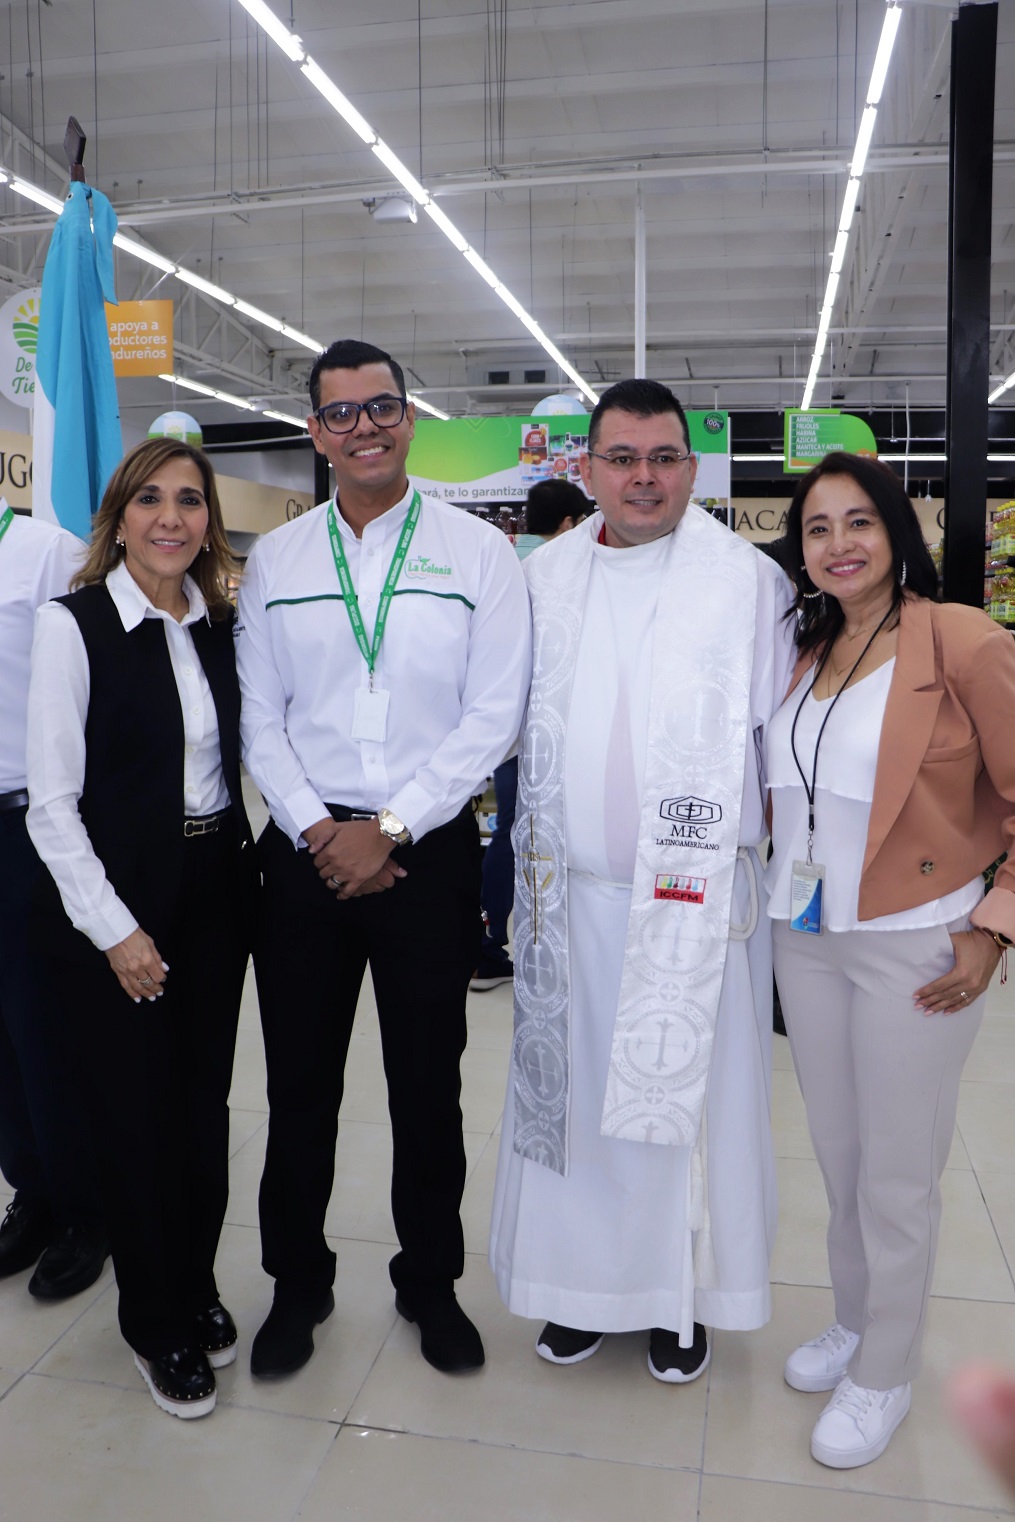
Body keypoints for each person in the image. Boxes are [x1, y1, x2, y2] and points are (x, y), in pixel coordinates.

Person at [490, 378, 796, 1383]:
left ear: (692, 468)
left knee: (685, 1116)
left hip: (696, 908)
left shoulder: (745, 581)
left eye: (663, 457)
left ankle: (679, 1300)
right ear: (585, 469)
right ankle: (580, 1294)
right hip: (565, 899)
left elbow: (778, 744)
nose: (643, 478)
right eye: (620, 458)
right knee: (574, 1110)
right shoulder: (542, 579)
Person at [236, 338, 531, 1379]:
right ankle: (295, 1284)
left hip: (428, 856)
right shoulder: (279, 559)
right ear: (314, 431)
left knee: (425, 1087)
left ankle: (430, 1282)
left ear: (410, 418)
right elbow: (258, 719)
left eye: (382, 407)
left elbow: (492, 716)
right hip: (305, 865)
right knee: (299, 1087)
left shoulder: (477, 553)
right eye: (341, 412)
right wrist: (323, 831)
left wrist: (392, 826)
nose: (364, 426)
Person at [765, 451, 1015, 1469]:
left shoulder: (959, 636)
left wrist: (994, 923)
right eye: (818, 528)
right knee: (840, 1155)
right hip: (807, 933)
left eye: (858, 522)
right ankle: (856, 1318)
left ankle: (887, 1370)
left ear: (896, 530)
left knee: (899, 1174)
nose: (839, 545)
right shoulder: (802, 643)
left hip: (919, 935)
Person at [26, 438, 255, 1420]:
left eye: (191, 501)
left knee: (202, 1110)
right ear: (119, 517)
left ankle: (195, 1283)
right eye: (152, 499)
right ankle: (153, 1320)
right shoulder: (73, 627)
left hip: (214, 886)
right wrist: (115, 928)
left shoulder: (218, 626)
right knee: (137, 1116)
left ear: (209, 522)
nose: (173, 517)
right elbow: (51, 804)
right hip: (119, 901)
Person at [0, 504, 109, 1299]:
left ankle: (85, 1211)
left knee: (45, 1029)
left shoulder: (45, 551)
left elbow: (92, 690)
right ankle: (32, 1191)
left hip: (24, 824)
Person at [471, 477, 590, 992]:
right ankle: (505, 944)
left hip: (507, 729)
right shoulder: (566, 573)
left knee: (511, 831)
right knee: (540, 834)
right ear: (569, 524)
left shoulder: (505, 564)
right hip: (550, 730)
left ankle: (488, 940)